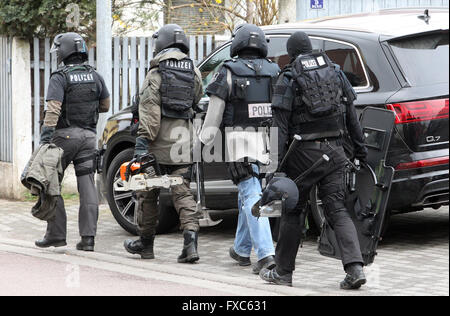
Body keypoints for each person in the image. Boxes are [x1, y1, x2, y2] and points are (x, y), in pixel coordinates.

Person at [260, 31, 369, 289]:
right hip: (336, 151)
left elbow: (280, 126)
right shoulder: (336, 72)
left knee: (293, 210)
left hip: (303, 155)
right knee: (337, 209)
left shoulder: (288, 77)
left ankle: (283, 273)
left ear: (292, 52)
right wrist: (360, 152)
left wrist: (274, 167)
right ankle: (355, 269)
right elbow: (352, 116)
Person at [200, 24, 280, 274]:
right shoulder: (275, 70)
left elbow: (214, 116)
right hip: (270, 140)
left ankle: (266, 255)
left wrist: (201, 142)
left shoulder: (227, 71)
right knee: (250, 192)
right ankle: (242, 249)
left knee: (250, 194)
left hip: (240, 141)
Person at [123, 24, 203, 263]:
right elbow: (197, 98)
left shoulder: (155, 73)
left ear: (161, 43)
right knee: (183, 193)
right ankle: (191, 246)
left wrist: (141, 143)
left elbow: (149, 113)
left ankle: (145, 245)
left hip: (157, 146)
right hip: (183, 144)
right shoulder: (193, 71)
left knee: (147, 194)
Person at [35, 32, 110, 252]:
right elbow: (105, 105)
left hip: (64, 137)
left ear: (64, 51)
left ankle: (56, 235)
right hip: (88, 138)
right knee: (87, 185)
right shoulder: (95, 75)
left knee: (50, 181)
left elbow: (53, 108)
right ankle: (88, 239)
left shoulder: (60, 76)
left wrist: (45, 138)